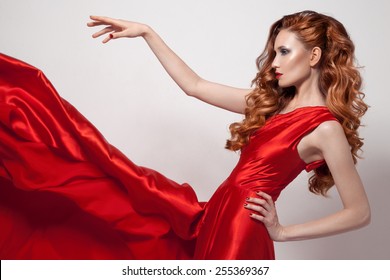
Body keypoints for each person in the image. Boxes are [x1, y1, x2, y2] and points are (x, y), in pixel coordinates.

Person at [0, 10, 370, 260]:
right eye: (273, 52)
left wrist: (283, 232)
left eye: (284, 52)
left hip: (242, 227)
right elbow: (194, 85)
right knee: (114, 192)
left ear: (314, 56)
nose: (273, 63)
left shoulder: (325, 128)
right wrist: (148, 33)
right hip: (214, 216)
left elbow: (359, 213)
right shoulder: (271, 106)